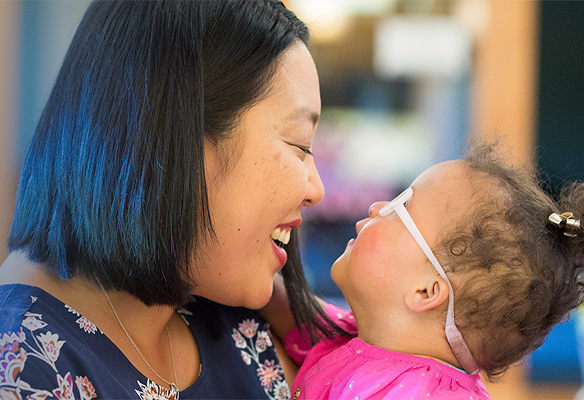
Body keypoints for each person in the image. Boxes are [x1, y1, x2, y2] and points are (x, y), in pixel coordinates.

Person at [0, 0, 342, 398]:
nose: (315, 189)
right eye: (298, 143)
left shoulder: (243, 324)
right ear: (175, 134)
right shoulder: (22, 368)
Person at [275, 143, 584, 400]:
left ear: (426, 291)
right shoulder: (356, 336)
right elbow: (288, 306)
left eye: (398, 208)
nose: (376, 207)